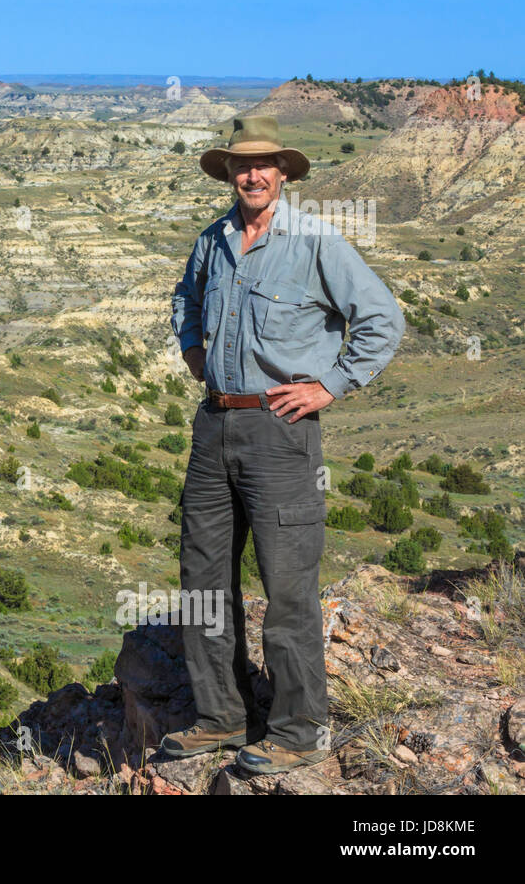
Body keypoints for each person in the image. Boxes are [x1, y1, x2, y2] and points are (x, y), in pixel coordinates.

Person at [162, 116, 405, 774]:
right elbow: (185, 300)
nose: (254, 174)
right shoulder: (213, 242)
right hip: (214, 424)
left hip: (280, 429)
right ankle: (221, 716)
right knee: (203, 576)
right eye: (242, 165)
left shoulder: (316, 242)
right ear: (228, 174)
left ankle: (299, 729)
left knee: (287, 582)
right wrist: (193, 352)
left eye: (266, 163)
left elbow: (383, 320)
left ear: (285, 172)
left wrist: (330, 385)